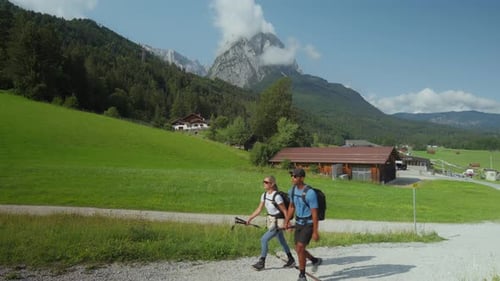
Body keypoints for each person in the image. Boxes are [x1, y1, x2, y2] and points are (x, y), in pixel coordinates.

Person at [246, 175, 295, 271]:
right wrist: (250, 219)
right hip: (271, 221)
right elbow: (259, 209)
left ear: (272, 184)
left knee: (264, 239)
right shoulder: (264, 195)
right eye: (263, 181)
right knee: (282, 240)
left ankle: (262, 262)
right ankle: (291, 259)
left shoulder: (277, 197)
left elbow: (285, 211)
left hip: (277, 223)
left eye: (266, 182)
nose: (264, 183)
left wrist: (287, 223)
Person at [285, 168, 322, 281]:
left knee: (300, 247)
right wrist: (286, 221)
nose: (293, 178)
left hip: (309, 223)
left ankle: (302, 275)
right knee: (298, 249)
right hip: (298, 223)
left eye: (295, 176)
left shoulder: (310, 193)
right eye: (292, 176)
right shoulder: (292, 191)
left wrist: (315, 231)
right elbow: (291, 206)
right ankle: (314, 260)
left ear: (302, 178)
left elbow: (315, 214)